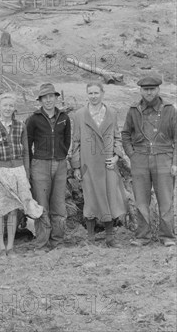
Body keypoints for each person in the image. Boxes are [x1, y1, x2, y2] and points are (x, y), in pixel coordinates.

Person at [121, 75, 177, 247]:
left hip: (163, 157)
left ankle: (167, 236)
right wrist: (132, 155)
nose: (149, 92)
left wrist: (174, 162)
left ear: (158, 90)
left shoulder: (169, 110)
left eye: (152, 89)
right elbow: (125, 134)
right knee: (141, 200)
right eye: (146, 89)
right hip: (140, 159)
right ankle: (142, 236)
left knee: (166, 200)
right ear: (141, 91)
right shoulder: (133, 110)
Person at [70, 82, 127, 248]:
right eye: (90, 93)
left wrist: (116, 156)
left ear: (103, 93)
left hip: (108, 164)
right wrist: (76, 166)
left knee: (109, 197)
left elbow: (117, 137)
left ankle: (110, 237)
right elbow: (76, 142)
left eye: (96, 93)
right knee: (91, 199)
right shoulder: (80, 114)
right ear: (86, 95)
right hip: (89, 164)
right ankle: (90, 237)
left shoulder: (111, 113)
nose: (93, 96)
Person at [0, 93, 36, 258]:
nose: (8, 108)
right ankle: (1, 247)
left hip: (18, 171)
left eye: (11, 106)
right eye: (5, 105)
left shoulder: (20, 126)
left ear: (14, 108)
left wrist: (25, 175)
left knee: (13, 210)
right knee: (0, 210)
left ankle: (11, 246)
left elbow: (27, 151)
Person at [26, 83, 71, 251]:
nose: (48, 100)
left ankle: (57, 241)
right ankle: (42, 242)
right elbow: (28, 143)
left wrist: (62, 155)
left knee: (59, 203)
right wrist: (33, 163)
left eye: (51, 96)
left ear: (56, 97)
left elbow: (67, 140)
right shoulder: (34, 119)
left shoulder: (64, 118)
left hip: (60, 164)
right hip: (40, 164)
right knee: (41, 204)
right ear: (40, 100)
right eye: (45, 97)